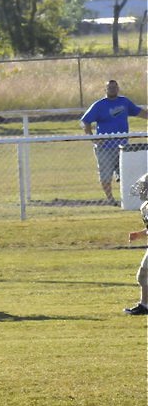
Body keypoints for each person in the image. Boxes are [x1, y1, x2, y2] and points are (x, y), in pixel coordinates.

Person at [79, 79, 148, 204]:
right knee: (105, 175)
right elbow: (85, 121)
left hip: (123, 147)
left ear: (118, 88)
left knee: (127, 173)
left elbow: (139, 112)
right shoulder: (99, 105)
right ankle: (111, 199)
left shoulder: (124, 102)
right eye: (110, 88)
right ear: (105, 90)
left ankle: (128, 199)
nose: (112, 90)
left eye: (115, 87)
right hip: (105, 147)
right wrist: (92, 137)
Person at [124, 173, 148, 315]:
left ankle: (145, 305)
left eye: (145, 187)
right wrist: (139, 234)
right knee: (144, 274)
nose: (142, 190)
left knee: (144, 274)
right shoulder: (145, 206)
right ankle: (145, 304)